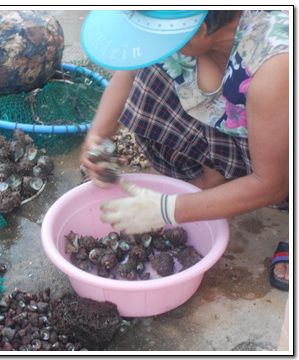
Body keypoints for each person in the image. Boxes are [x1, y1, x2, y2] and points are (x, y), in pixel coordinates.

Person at [79, 10, 289, 292]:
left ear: (200, 30)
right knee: (154, 65)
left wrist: (166, 209)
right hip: (244, 120)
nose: (149, 43)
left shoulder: (275, 64)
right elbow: (129, 72)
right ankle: (215, 179)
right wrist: (97, 136)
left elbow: (273, 184)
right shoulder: (201, 34)